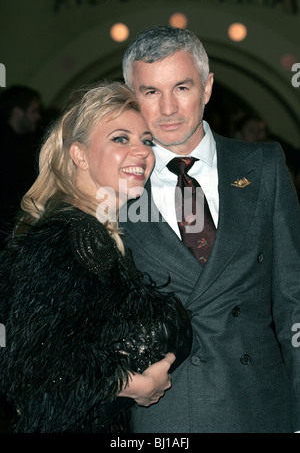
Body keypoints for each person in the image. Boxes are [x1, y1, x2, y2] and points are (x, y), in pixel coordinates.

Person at [120, 25, 300, 433]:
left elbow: (294, 300)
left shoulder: (264, 165)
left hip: (260, 405)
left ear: (207, 87)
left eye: (181, 87)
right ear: (131, 97)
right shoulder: (112, 184)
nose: (167, 109)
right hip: (162, 412)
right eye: (150, 92)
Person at [0, 81, 192, 433]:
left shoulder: (94, 233)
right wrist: (137, 385)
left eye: (147, 141)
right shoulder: (72, 236)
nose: (143, 152)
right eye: (121, 139)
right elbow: (36, 372)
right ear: (80, 154)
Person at [0, 85, 42, 248]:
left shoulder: (22, 144)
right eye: (34, 111)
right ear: (17, 112)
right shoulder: (12, 149)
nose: (38, 117)